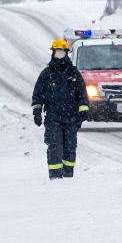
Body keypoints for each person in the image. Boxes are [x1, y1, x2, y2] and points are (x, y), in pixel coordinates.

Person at [32, 38, 90, 180]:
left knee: (70, 148)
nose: (59, 56)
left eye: (61, 53)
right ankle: (55, 176)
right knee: (55, 147)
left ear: (66, 53)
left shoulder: (74, 73)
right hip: (53, 118)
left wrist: (83, 110)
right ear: (52, 54)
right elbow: (38, 94)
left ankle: (68, 174)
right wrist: (37, 112)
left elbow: (82, 94)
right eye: (56, 53)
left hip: (71, 118)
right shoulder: (47, 74)